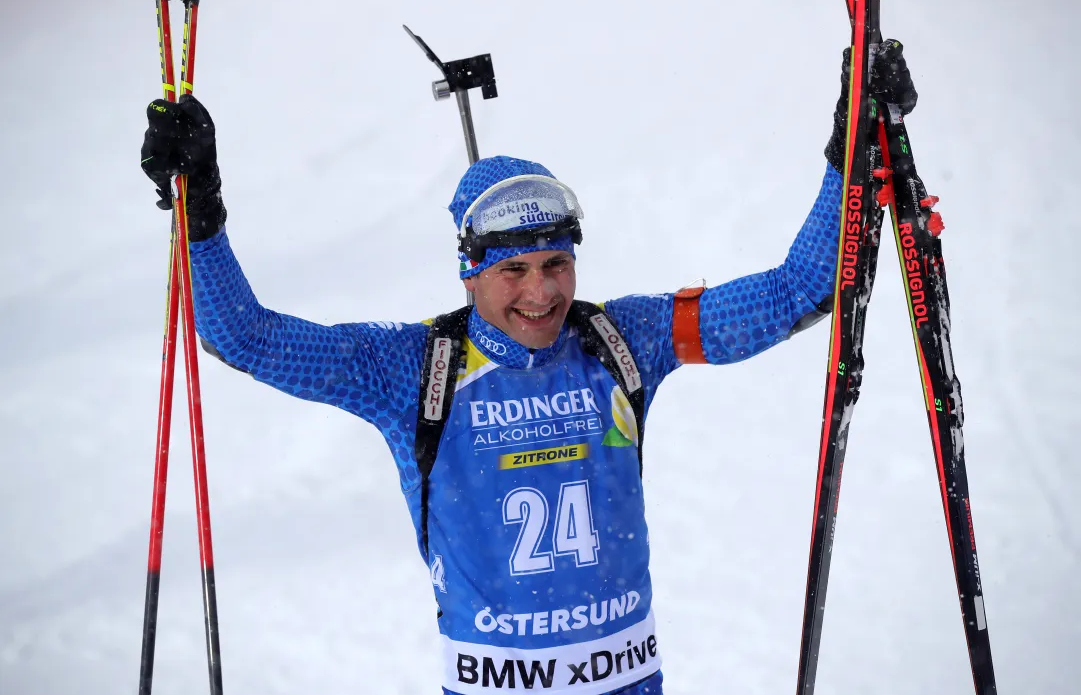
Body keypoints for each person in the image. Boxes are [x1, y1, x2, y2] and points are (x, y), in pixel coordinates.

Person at [140, 42, 917, 695]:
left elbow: (798, 289)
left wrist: (846, 149)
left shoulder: (624, 338)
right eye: (513, 271)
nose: (541, 292)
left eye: (556, 263)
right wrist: (200, 209)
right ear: (468, 272)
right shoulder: (412, 367)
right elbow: (244, 337)